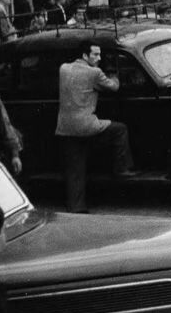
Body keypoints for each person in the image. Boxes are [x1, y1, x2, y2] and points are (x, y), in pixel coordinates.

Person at [55, 38, 138, 213]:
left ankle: (77, 208)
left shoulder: (63, 69)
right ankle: (122, 169)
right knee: (120, 129)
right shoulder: (94, 73)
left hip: (65, 128)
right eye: (95, 54)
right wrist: (114, 75)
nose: (99, 58)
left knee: (75, 172)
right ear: (85, 56)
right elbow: (114, 87)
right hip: (88, 126)